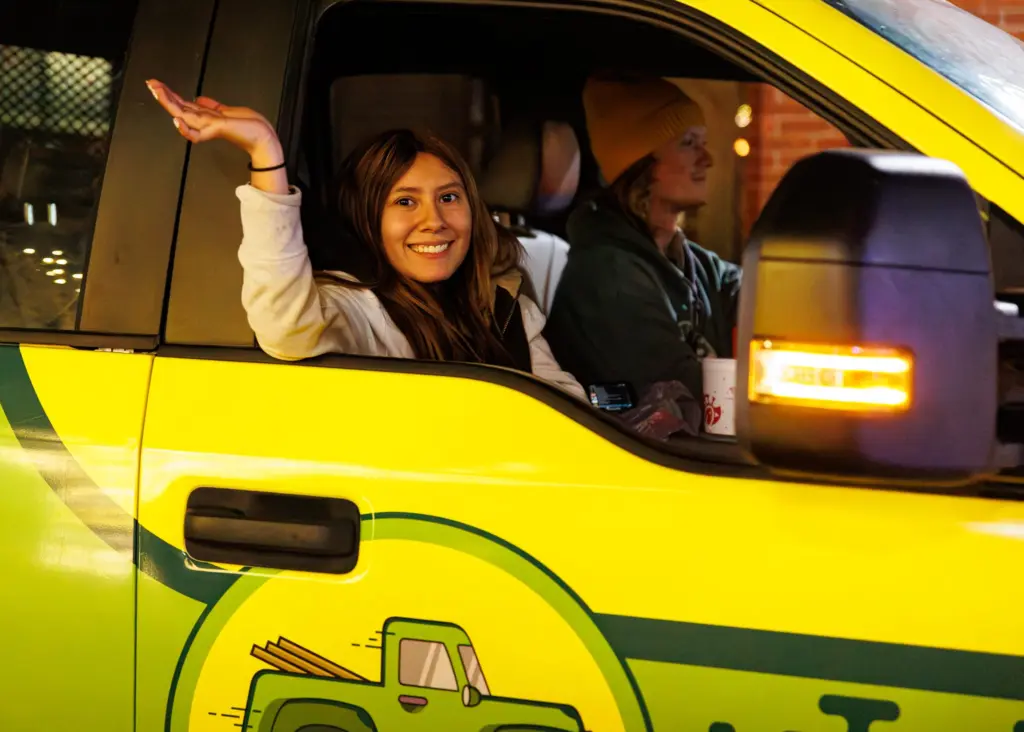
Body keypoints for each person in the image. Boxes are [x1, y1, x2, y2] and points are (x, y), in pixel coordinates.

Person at [145, 79, 585, 401]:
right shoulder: (358, 309)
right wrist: (265, 153)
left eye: (449, 198)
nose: (434, 221)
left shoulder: (507, 310)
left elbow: (570, 415)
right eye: (405, 202)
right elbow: (285, 328)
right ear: (369, 221)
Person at [544, 75, 741, 403]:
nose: (707, 159)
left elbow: (754, 291)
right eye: (688, 143)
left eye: (702, 142)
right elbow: (684, 396)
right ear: (641, 165)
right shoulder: (607, 277)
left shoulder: (686, 260)